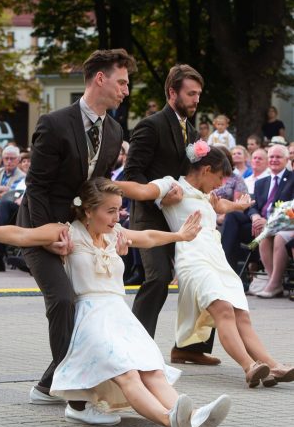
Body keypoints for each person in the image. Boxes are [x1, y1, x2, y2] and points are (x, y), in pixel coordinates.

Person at [0, 178, 231, 427]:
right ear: (88, 211)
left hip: (120, 315)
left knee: (152, 369)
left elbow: (149, 238)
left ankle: (193, 417)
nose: (117, 217)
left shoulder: (115, 233)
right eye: (110, 211)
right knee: (128, 372)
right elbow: (21, 235)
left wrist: (179, 236)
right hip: (92, 317)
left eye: (119, 210)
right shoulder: (66, 233)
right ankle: (171, 421)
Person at [16, 48, 136, 424]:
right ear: (99, 78)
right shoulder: (54, 123)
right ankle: (78, 400)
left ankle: (49, 383)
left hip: (82, 230)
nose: (126, 90)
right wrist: (45, 235)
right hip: (41, 225)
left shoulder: (115, 131)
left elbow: (96, 188)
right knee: (64, 301)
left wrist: (112, 222)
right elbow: (35, 186)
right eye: (121, 81)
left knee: (93, 305)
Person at [118, 144, 294, 387]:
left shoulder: (206, 194)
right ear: (207, 169)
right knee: (222, 309)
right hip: (193, 258)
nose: (221, 183)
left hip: (217, 258)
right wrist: (99, 185)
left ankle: (273, 366)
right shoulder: (172, 185)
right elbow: (140, 190)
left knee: (241, 314)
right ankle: (249, 366)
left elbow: (219, 206)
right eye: (220, 177)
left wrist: (239, 206)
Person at [125, 64, 219, 365]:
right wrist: (160, 193)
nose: (196, 100)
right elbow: (132, 173)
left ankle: (190, 347)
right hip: (150, 217)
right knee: (159, 277)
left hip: (182, 219)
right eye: (190, 94)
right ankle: (135, 349)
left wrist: (206, 192)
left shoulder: (191, 132)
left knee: (204, 274)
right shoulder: (150, 126)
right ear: (172, 92)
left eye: (199, 95)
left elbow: (188, 176)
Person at [221, 144, 294, 274]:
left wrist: (268, 221)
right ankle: (228, 270)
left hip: (279, 227)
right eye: (271, 157)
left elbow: (290, 208)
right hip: (257, 226)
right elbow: (253, 204)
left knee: (235, 229)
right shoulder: (262, 182)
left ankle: (248, 273)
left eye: (278, 157)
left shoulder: (292, 179)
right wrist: (255, 217)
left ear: (287, 159)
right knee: (232, 217)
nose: (274, 160)